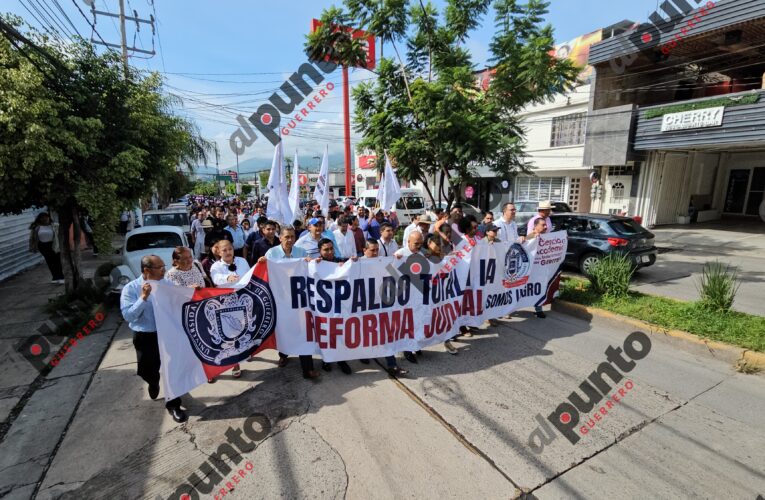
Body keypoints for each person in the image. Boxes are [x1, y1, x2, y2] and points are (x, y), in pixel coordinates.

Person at [120, 255, 187, 423]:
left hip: (167, 333)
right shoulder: (131, 288)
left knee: (171, 369)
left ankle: (174, 404)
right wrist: (143, 298)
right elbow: (128, 316)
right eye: (160, 267)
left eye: (163, 266)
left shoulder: (167, 284)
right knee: (147, 369)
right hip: (145, 335)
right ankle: (153, 381)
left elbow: (177, 303)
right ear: (147, 270)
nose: (164, 269)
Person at [259, 226, 320, 380]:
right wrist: (262, 263)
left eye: (292, 236)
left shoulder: (300, 252)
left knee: (302, 331)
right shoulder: (272, 253)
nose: (290, 240)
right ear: (280, 238)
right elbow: (264, 272)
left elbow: (310, 269)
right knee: (283, 328)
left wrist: (311, 262)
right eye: (287, 237)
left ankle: (308, 368)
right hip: (280, 299)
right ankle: (283, 354)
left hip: (299, 299)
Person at [360, 239, 408, 376]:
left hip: (380, 304)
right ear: (364, 250)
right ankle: (363, 354)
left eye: (377, 250)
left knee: (385, 334)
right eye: (372, 250)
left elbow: (396, 273)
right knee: (365, 332)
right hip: (363, 305)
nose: (376, 253)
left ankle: (392, 365)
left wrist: (397, 261)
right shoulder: (357, 263)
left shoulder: (383, 261)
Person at [314, 238, 355, 375]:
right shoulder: (315, 264)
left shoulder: (339, 261)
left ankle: (342, 360)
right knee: (326, 333)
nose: (330, 252)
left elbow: (354, 264)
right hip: (324, 307)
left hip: (340, 305)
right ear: (319, 251)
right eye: (326, 249)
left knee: (340, 332)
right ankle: (326, 360)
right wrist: (312, 263)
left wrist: (353, 262)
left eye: (331, 248)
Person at [209, 239, 249, 377]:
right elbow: (216, 279)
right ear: (219, 252)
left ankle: (246, 352)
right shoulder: (215, 267)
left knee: (245, 328)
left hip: (243, 300)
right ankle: (234, 363)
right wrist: (228, 278)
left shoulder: (242, 261)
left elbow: (250, 275)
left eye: (230, 249)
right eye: (224, 250)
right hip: (226, 303)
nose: (227, 252)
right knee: (230, 334)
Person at [424, 232, 458, 355]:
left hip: (441, 296)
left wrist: (451, 257)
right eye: (437, 244)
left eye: (441, 245)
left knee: (444, 318)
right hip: (426, 297)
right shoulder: (421, 257)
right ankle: (415, 346)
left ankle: (447, 341)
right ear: (429, 244)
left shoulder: (444, 258)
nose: (439, 247)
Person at [29, 212, 64, 284]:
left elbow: (60, 234)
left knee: (57, 261)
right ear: (39, 219)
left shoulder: (55, 225)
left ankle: (61, 277)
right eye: (42, 217)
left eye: (46, 217)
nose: (44, 219)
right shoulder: (37, 227)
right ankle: (55, 277)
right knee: (49, 261)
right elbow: (32, 238)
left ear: (49, 217)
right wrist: (33, 246)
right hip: (43, 246)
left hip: (54, 245)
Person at [527, 217, 549, 319]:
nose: (546, 227)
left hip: (540, 268)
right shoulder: (529, 238)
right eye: (543, 225)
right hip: (530, 269)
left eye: (545, 225)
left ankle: (538, 309)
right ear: (535, 226)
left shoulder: (546, 237)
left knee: (539, 287)